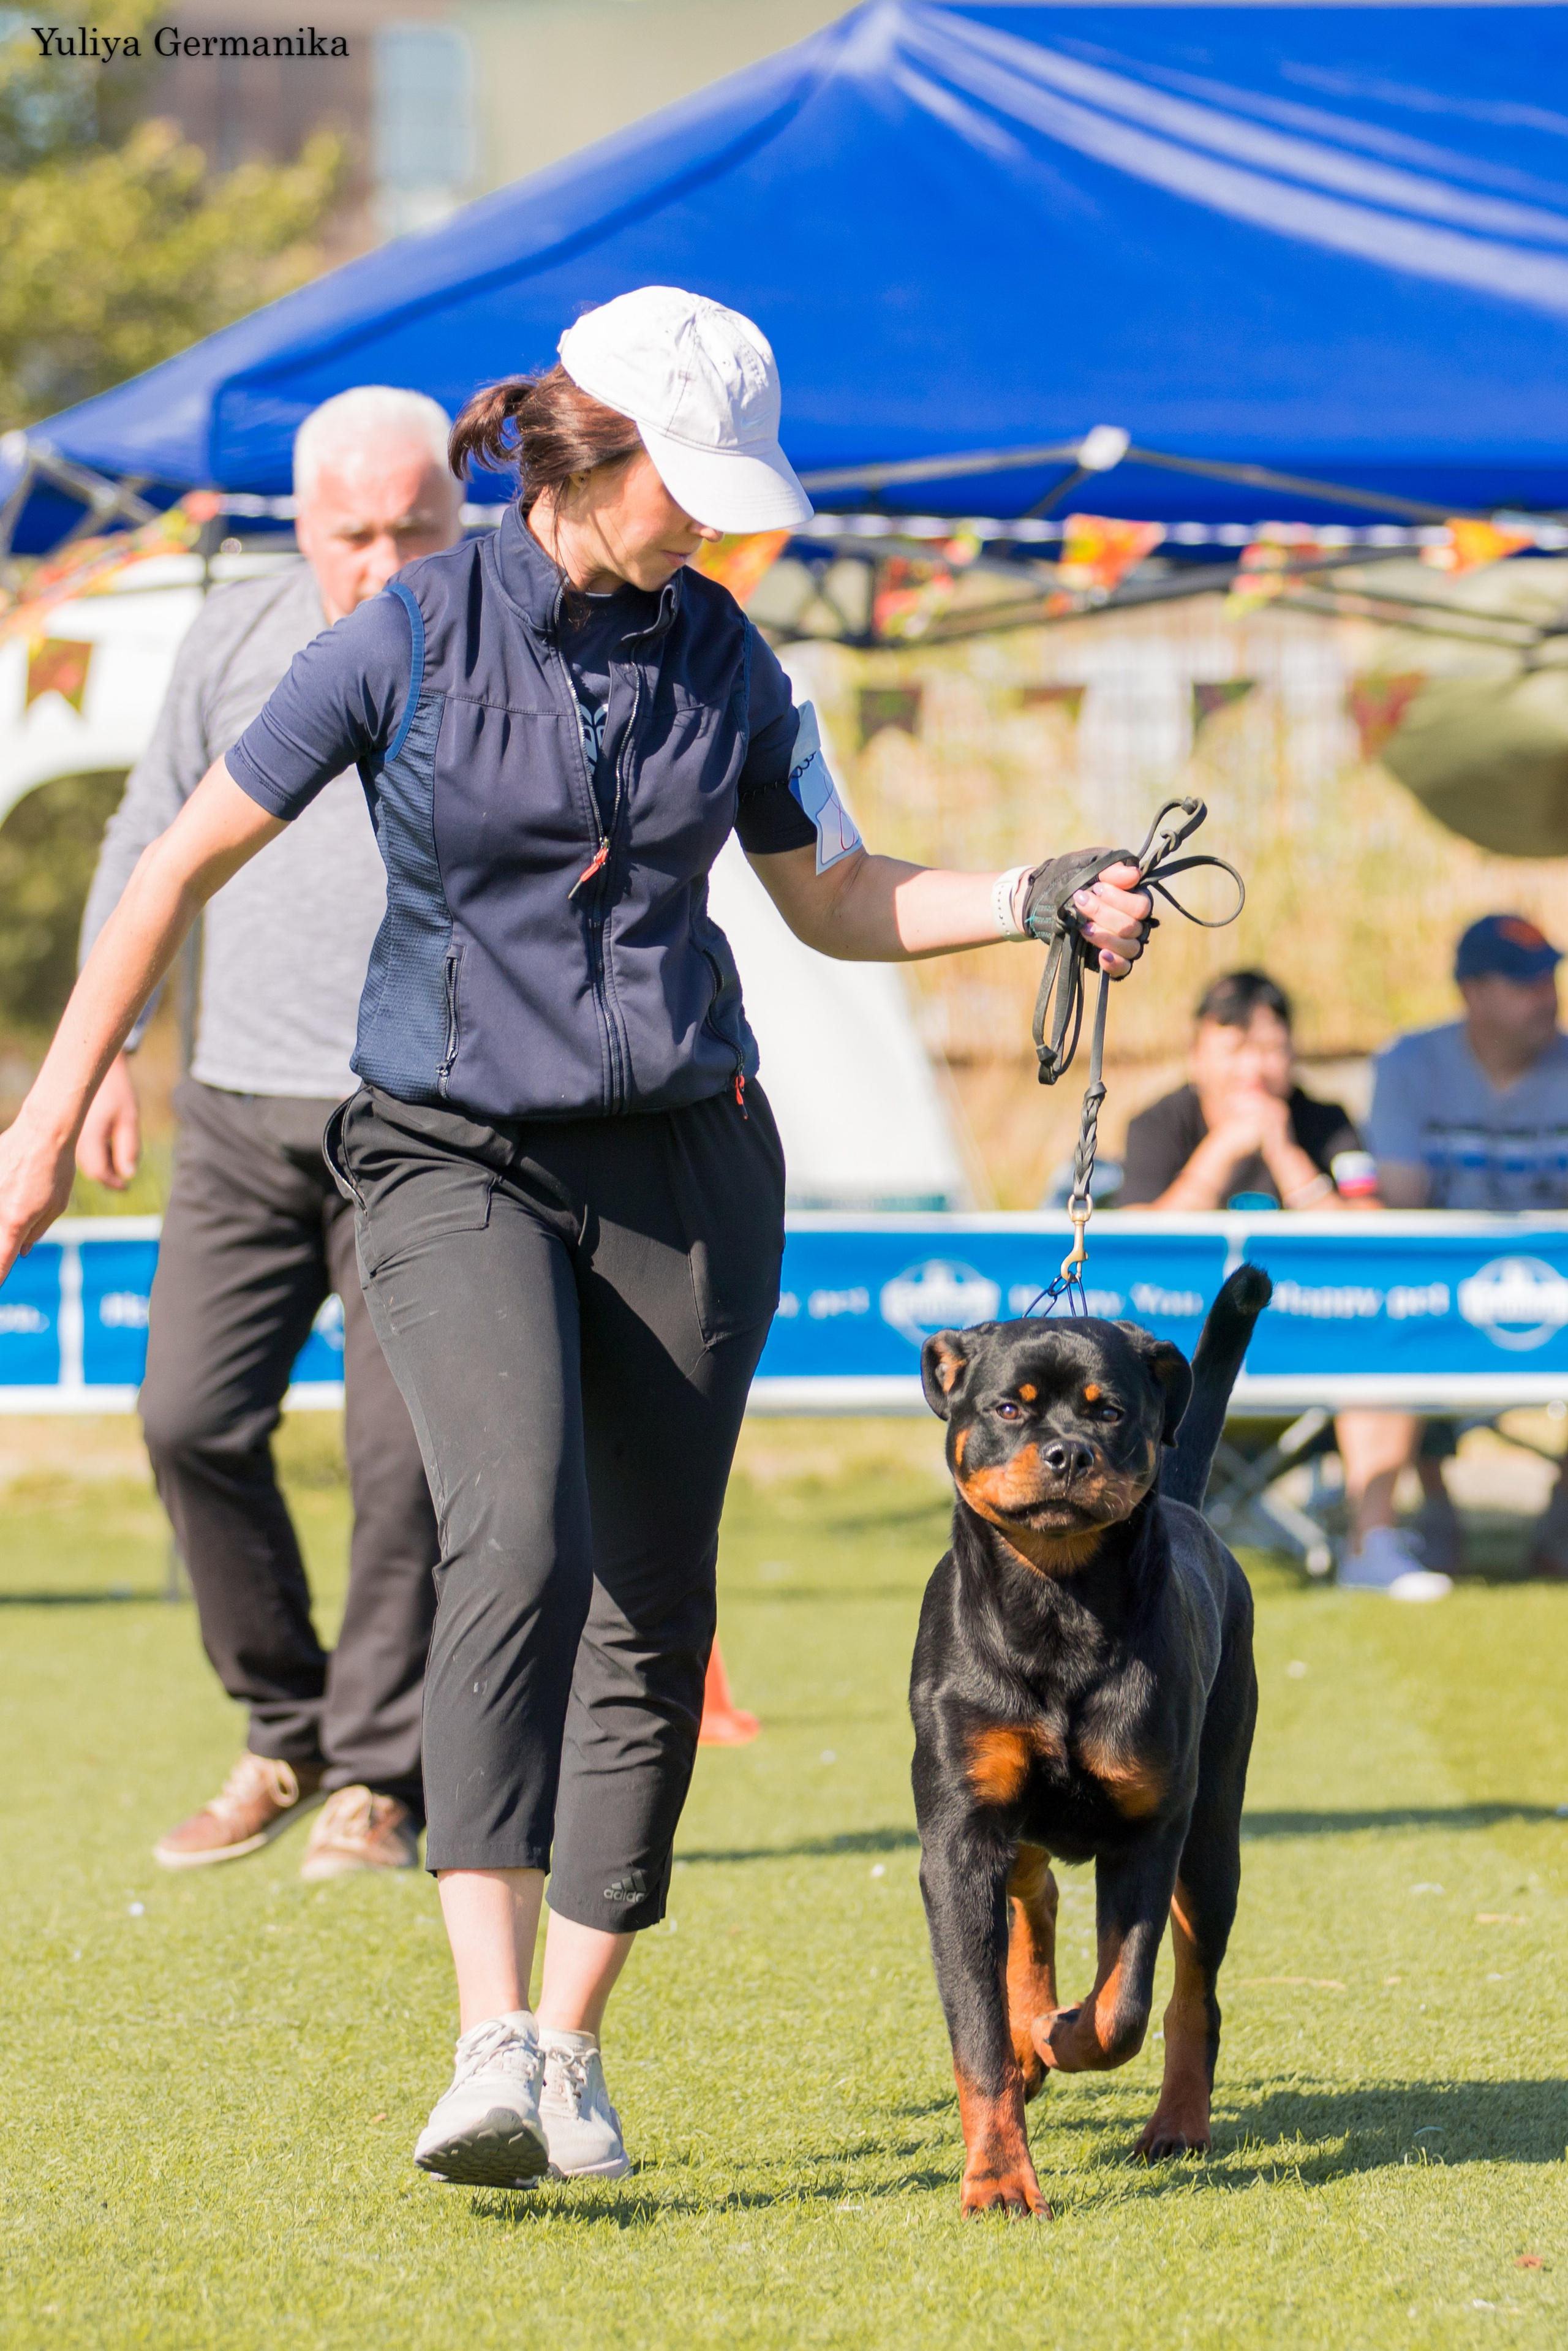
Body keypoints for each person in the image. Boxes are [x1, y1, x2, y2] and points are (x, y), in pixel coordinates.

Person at [0, 286, 1155, 2189]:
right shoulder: (400, 637)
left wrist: (1040, 893)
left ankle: (571, 2044)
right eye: (682, 490)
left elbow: (838, 895)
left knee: (654, 1598)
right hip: (450, 1151)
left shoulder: (731, 661)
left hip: (688, 1173)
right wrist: (50, 1113)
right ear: (579, 457)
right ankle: (479, 2042)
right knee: (510, 1534)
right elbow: (181, 853)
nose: (708, 525)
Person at [75, 387, 459, 1878]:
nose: (378, 559)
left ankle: (378, 1774)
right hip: (233, 1102)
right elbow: (147, 831)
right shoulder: (233, 630)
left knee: (399, 1462)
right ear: (300, 524)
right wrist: (105, 1044)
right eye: (348, 532)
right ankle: (282, 1725)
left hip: (419, 1115)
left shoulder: (501, 629)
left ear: (458, 513)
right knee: (185, 1417)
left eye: (410, 528)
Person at [1119, 969, 1452, 1602]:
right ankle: (1136, 1548)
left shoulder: (1324, 1120)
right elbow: (1138, 1243)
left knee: (1384, 1336)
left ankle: (1371, 1541)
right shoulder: (1158, 1122)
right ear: (1197, 1053)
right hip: (1186, 1351)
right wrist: (1219, 1154)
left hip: (1315, 1332)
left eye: (1271, 1048)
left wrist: (1286, 1155)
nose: (1256, 1068)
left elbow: (1370, 1233)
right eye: (1236, 1047)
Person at [1359, 912, 1568, 1583]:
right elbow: (1400, 1201)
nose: (1548, 995)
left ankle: (1562, 1514)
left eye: (1550, 978)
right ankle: (1421, 1514)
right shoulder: (1408, 1064)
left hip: (1555, 1286)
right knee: (1387, 1319)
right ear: (1473, 993)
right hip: (1439, 1285)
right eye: (1525, 982)